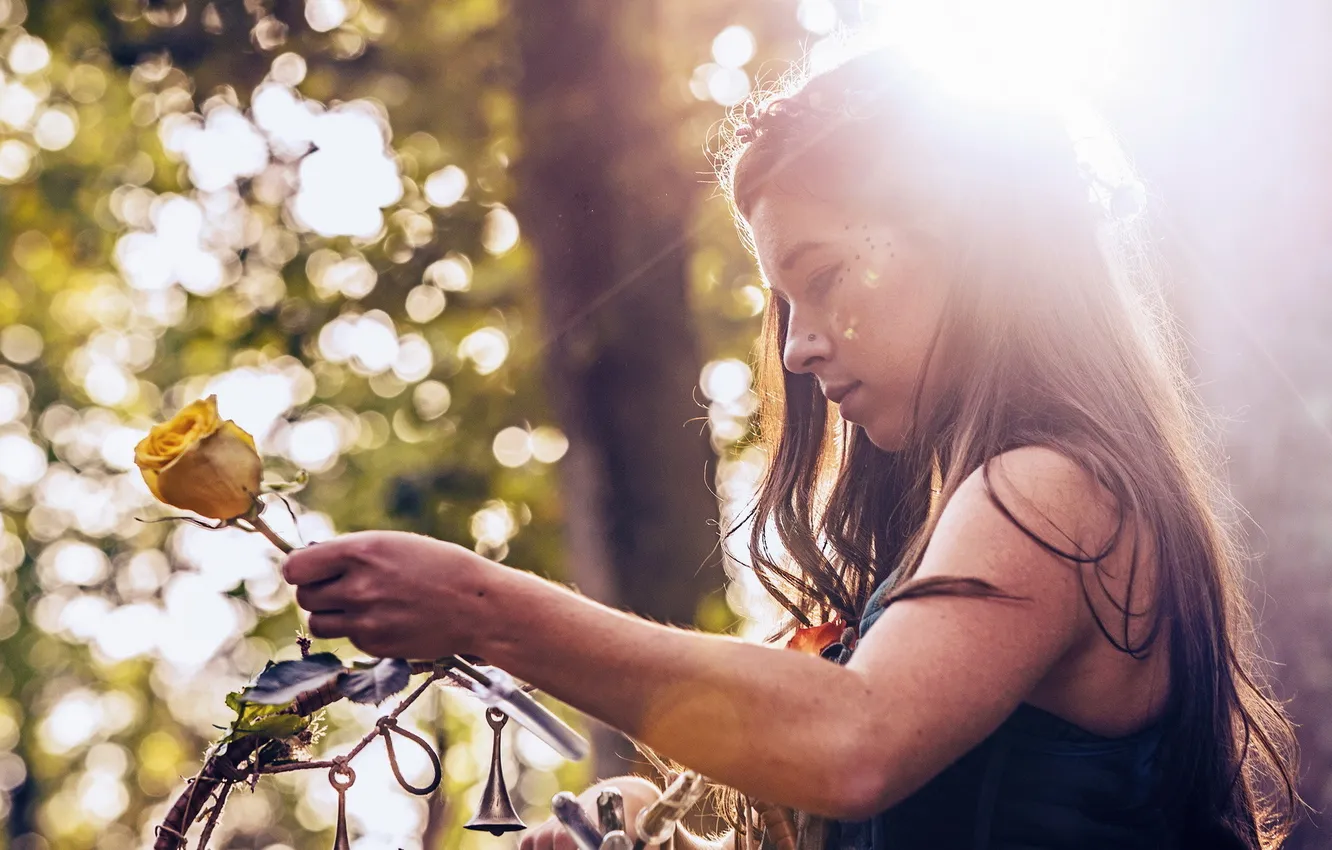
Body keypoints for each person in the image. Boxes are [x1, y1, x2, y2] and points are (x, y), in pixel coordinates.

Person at [281, 47, 1300, 849]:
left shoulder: (1053, 488)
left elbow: (854, 740)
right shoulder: (954, 532)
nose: (801, 345)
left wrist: (480, 606)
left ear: (975, 242)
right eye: (785, 301)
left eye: (827, 275)